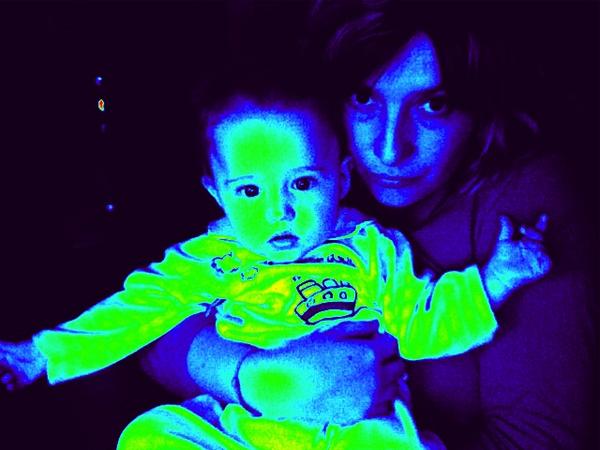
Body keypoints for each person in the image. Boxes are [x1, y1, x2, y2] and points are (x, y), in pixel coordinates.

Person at [0, 69, 550, 449]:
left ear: (341, 179)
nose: (279, 213)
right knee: (148, 436)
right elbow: (135, 310)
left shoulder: (373, 246)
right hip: (246, 427)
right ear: (216, 194)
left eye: (303, 183)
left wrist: (493, 281)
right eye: (249, 192)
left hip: (356, 427)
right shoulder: (210, 257)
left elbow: (425, 322)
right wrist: (41, 354)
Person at [141, 2, 597, 449]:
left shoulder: (522, 206)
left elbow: (541, 438)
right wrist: (259, 379)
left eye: (434, 105)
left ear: (480, 108)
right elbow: (153, 335)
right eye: (363, 99)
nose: (389, 149)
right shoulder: (289, 176)